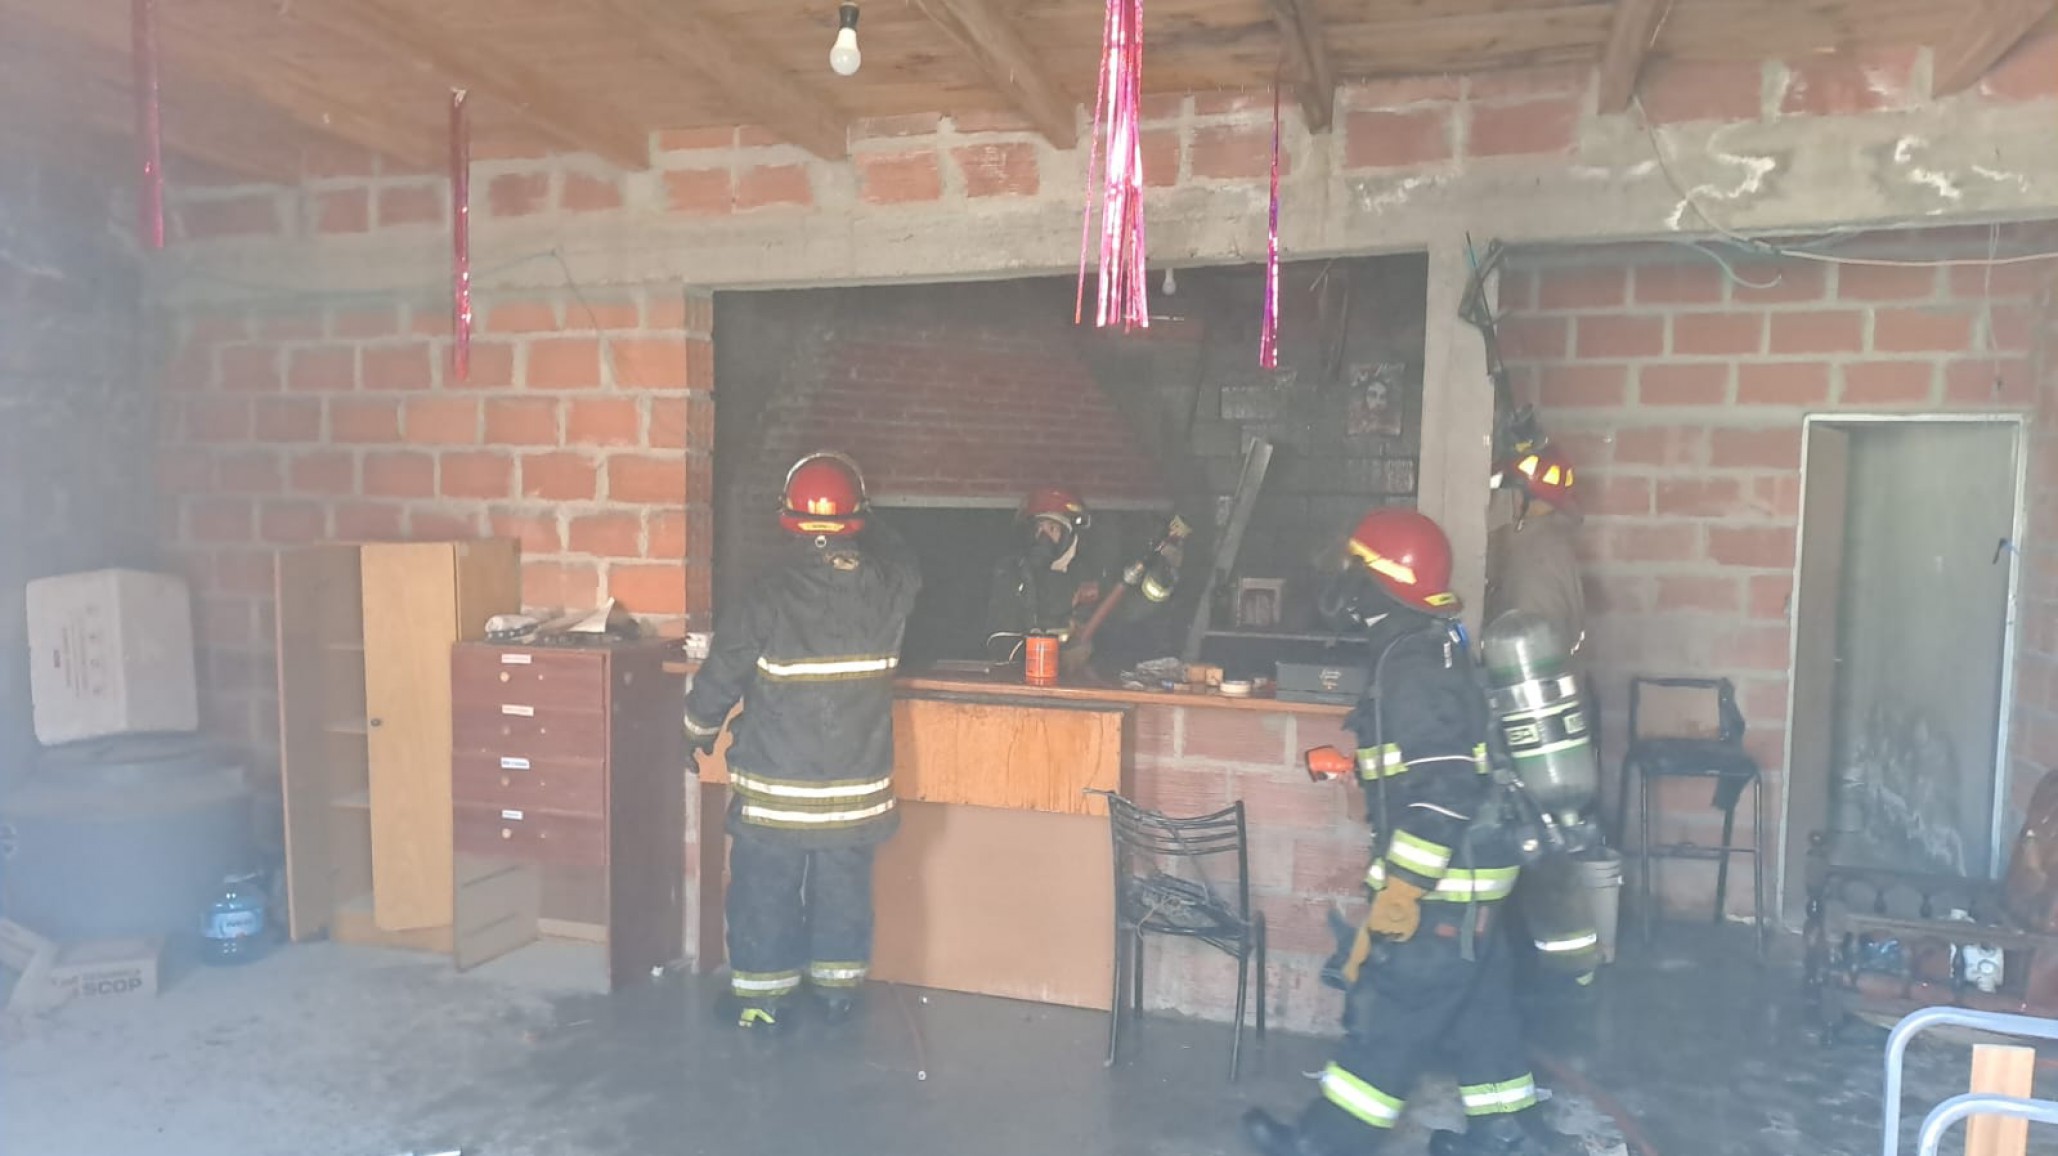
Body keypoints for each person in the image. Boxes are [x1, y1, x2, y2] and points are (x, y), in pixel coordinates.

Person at [1243, 507, 1590, 1156]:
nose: (1341, 579)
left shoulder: (1412, 666)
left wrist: (1404, 888)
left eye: (1355, 566)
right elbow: (1434, 764)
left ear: (1380, 581)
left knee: (1392, 1022)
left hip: (1443, 890)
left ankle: (1324, 1143)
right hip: (1477, 883)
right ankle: (1506, 1135)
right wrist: (1359, 768)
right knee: (1486, 1018)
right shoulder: (1426, 646)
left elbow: (1447, 787)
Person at [684, 451, 921, 1030]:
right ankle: (837, 995)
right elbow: (911, 565)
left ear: (787, 518)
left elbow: (721, 674)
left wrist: (694, 730)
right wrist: (868, 517)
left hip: (776, 795)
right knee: (844, 894)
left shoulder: (766, 595)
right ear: (858, 518)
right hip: (856, 795)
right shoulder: (889, 591)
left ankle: (761, 1001)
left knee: (765, 894)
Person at [985, 487, 1179, 672]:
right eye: (1038, 528)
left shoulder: (1085, 576)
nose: (1042, 537)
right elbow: (1001, 641)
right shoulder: (1012, 572)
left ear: (1069, 536)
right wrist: (1056, 657)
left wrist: (1161, 574)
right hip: (1026, 679)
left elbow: (1126, 609)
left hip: (1078, 680)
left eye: (1052, 528)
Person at [1484, 441, 1584, 649]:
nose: (1492, 501)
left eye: (1501, 492)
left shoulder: (1539, 561)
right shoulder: (1538, 540)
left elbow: (1530, 649)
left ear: (1521, 498)